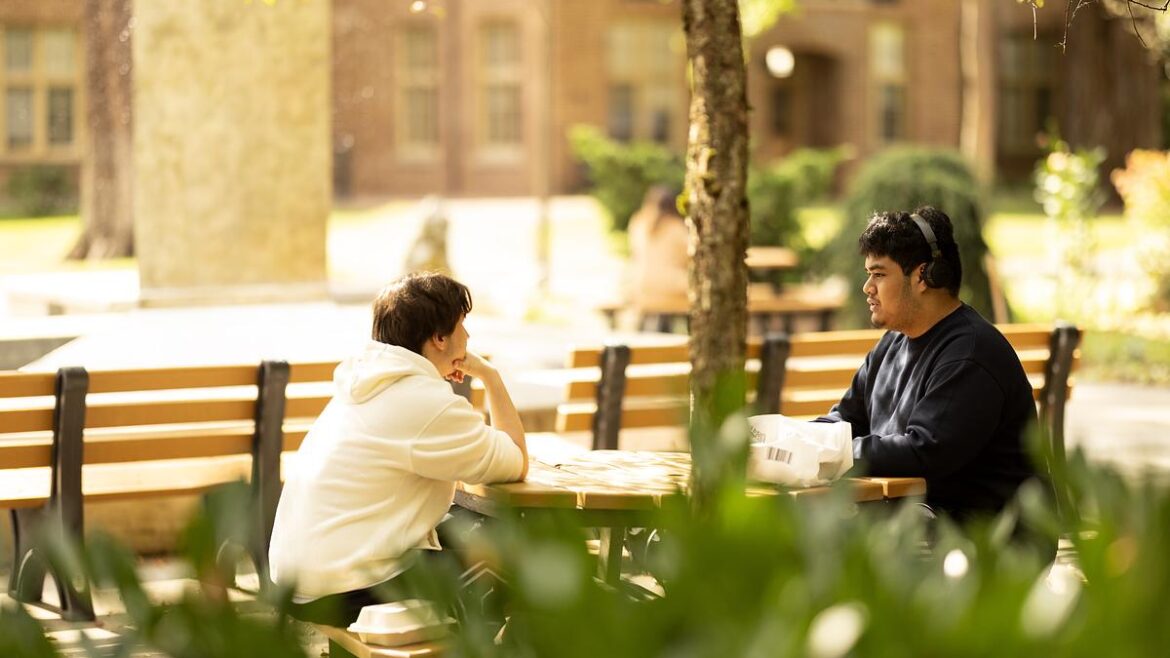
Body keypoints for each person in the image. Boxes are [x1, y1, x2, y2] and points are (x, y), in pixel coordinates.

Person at [268, 272, 528, 625]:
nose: (468, 336)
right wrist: (490, 376)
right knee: (505, 550)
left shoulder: (365, 383)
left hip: (299, 584)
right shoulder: (425, 403)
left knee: (464, 528)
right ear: (439, 337)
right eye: (463, 325)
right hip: (344, 590)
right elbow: (515, 459)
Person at [819, 206, 1038, 522]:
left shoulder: (970, 354)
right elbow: (845, 420)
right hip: (920, 522)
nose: (868, 288)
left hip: (988, 543)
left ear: (923, 275)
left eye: (879, 274)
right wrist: (800, 442)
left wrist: (833, 452)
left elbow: (923, 452)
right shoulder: (891, 344)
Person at [625, 185, 689, 324]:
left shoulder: (638, 222)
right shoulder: (675, 227)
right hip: (672, 286)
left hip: (641, 284)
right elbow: (691, 256)